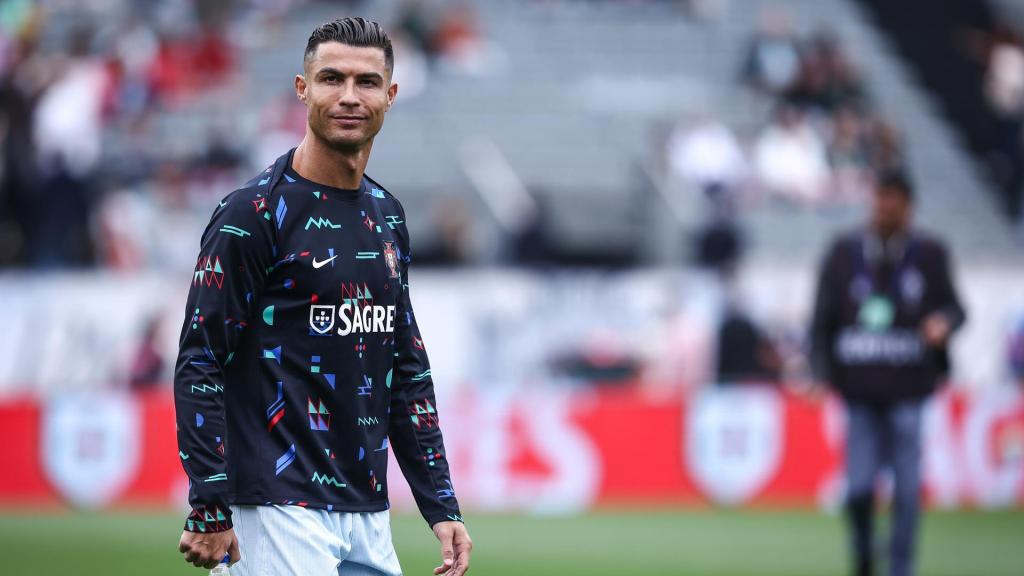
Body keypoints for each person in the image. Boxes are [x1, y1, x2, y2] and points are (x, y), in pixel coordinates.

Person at [174, 17, 472, 576]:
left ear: (391, 94)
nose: (349, 97)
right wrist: (209, 503)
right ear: (302, 88)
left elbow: (404, 368)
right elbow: (200, 360)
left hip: (367, 511)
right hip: (274, 507)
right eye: (332, 78)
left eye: (366, 82)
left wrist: (440, 503)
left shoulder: (388, 215)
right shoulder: (253, 214)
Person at [810, 171, 965, 576]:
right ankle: (863, 555)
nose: (884, 208)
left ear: (908, 207)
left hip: (908, 387)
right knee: (858, 488)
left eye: (893, 201)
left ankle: (901, 566)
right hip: (859, 388)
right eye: (880, 198)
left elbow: (956, 309)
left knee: (908, 490)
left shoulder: (929, 252)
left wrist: (943, 324)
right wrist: (819, 370)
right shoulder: (844, 252)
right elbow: (821, 318)